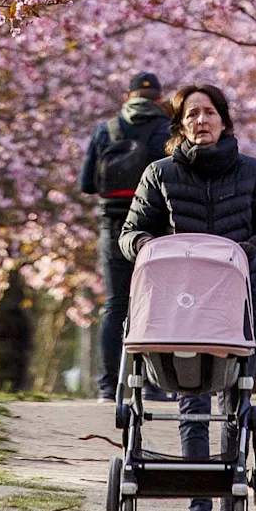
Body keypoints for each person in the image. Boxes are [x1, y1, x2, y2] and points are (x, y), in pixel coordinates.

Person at [120, 83, 256, 511]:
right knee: (191, 398)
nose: (201, 121)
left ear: (224, 120)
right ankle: (198, 508)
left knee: (235, 398)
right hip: (180, 302)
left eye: (209, 112)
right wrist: (148, 246)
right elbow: (131, 233)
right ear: (180, 124)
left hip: (235, 298)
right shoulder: (160, 174)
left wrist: (249, 249)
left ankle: (229, 491)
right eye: (192, 114)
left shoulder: (252, 173)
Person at [79, 71, 171, 401]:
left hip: (114, 224)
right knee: (156, 302)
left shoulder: (106, 130)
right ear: (160, 99)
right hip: (156, 227)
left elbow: (87, 183)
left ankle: (109, 385)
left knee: (116, 304)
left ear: (127, 97)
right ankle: (154, 384)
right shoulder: (168, 130)